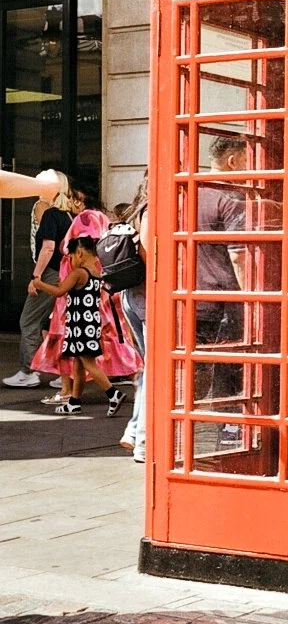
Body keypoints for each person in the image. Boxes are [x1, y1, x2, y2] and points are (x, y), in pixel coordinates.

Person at [32, 236, 127, 417]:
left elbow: (60, 291)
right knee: (78, 364)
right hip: (89, 323)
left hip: (80, 325)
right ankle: (74, 402)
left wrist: (39, 283)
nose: (72, 261)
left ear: (80, 253)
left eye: (72, 256)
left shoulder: (79, 273)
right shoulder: (96, 273)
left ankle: (113, 393)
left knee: (88, 363)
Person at [3, 173, 79, 389]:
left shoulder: (50, 214)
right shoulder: (68, 216)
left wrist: (36, 277)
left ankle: (29, 371)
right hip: (66, 273)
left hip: (51, 274)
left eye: (40, 181)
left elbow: (48, 247)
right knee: (57, 325)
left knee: (28, 320)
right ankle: (62, 373)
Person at [196, 137, 247, 404]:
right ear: (232, 161)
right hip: (226, 298)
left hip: (192, 294)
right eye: (247, 161)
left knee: (196, 373)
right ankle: (229, 429)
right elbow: (238, 256)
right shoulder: (232, 196)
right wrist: (251, 297)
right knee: (230, 371)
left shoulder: (190, 190)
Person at [118, 174, 149, 462]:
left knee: (147, 367)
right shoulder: (152, 210)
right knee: (155, 370)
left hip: (131, 297)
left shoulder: (135, 211)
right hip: (148, 299)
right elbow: (152, 258)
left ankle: (132, 430)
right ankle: (142, 440)